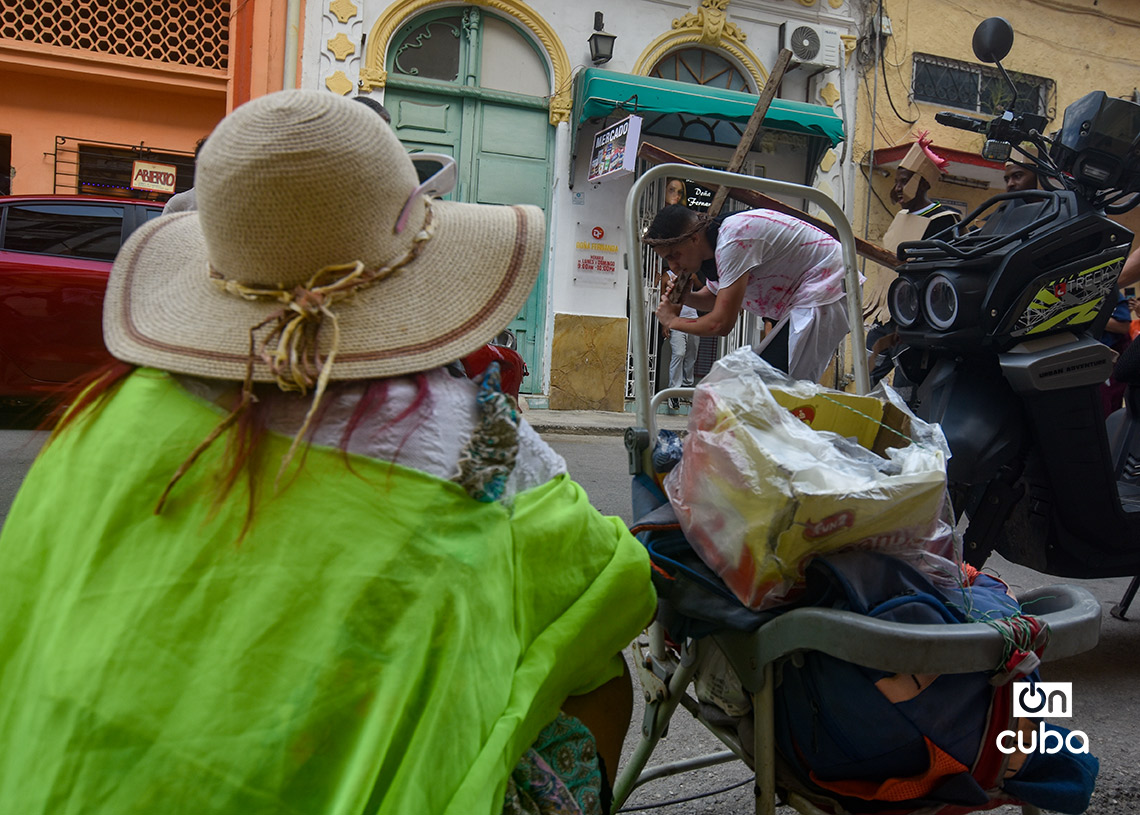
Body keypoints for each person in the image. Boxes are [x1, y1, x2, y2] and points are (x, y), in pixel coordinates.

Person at [0, 90, 655, 815]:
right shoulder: (482, 445)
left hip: (49, 782)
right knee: (596, 680)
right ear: (419, 255)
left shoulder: (106, 415)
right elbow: (611, 590)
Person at [648, 206, 852, 383]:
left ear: (694, 239)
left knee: (772, 389)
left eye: (674, 256)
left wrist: (672, 321)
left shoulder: (733, 240)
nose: (673, 266)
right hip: (809, 296)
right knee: (771, 391)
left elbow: (721, 323)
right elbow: (713, 299)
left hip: (827, 286)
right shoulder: (716, 248)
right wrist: (687, 297)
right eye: (667, 259)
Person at [865, 133, 960, 384]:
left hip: (914, 322)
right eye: (897, 181)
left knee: (906, 387)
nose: (897, 188)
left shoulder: (943, 219)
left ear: (923, 183)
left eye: (904, 181)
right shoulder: (900, 217)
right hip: (885, 315)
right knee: (866, 377)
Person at [659, 179, 699, 409]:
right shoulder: (667, 276)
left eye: (679, 191)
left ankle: (686, 388)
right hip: (677, 320)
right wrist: (666, 322)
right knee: (679, 353)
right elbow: (663, 299)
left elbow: (701, 288)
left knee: (690, 355)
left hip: (692, 317)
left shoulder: (690, 272)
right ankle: (674, 391)